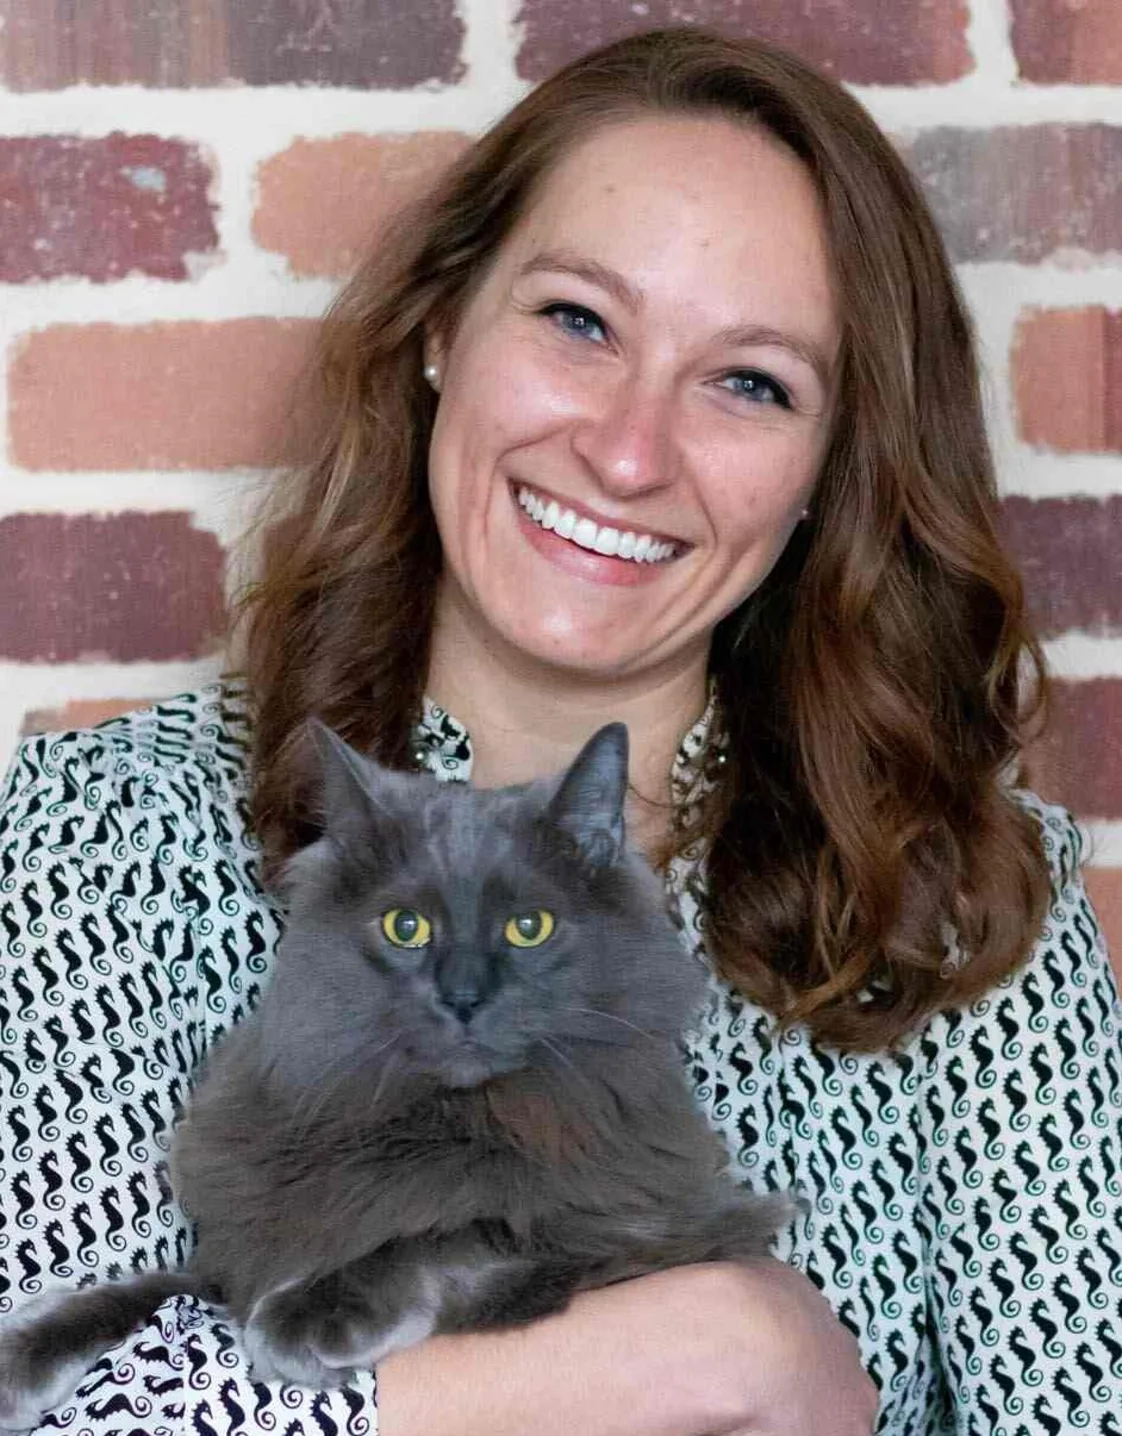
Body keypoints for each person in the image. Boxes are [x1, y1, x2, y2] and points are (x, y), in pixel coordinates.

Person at [0, 25, 1118, 1436]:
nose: (628, 450)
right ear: (438, 327)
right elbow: (43, 1401)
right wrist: (714, 1347)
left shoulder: (956, 905)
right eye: (578, 322)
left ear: (829, 475)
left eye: (748, 382)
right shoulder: (114, 832)